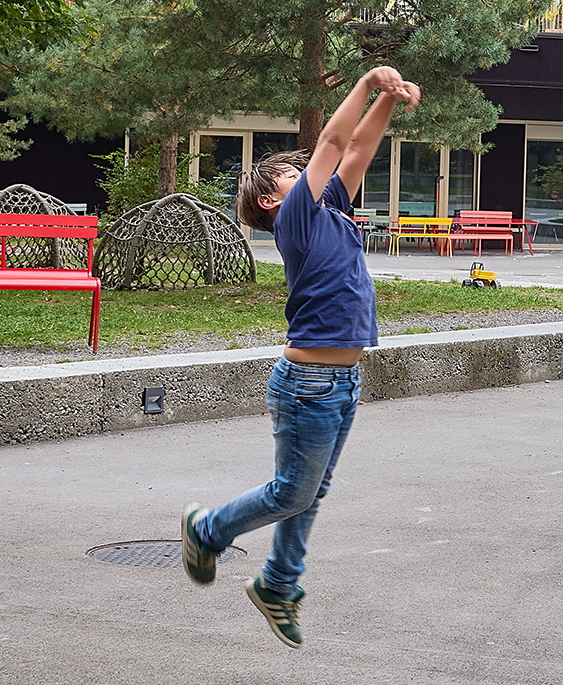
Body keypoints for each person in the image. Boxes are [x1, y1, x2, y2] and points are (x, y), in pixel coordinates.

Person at [178, 65, 419, 649]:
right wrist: (367, 82)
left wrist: (389, 100)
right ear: (271, 199)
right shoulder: (296, 218)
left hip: (341, 382)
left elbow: (357, 148)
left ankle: (278, 585)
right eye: (294, 174)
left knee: (310, 491)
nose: (309, 173)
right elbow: (334, 141)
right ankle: (207, 531)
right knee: (292, 492)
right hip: (309, 382)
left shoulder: (329, 207)